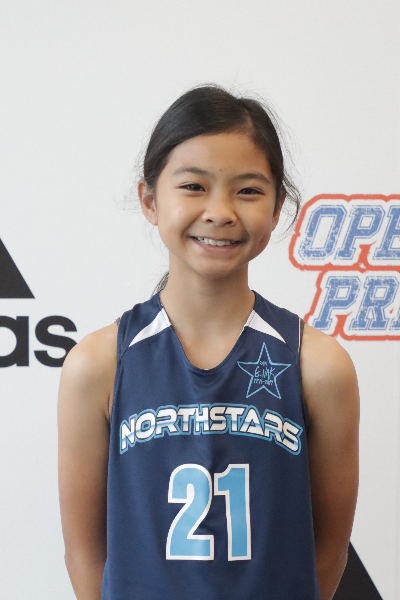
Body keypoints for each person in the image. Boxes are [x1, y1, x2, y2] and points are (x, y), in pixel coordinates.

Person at [58, 84, 359, 600]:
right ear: (150, 200)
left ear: (277, 207)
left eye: (248, 191)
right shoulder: (100, 364)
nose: (220, 212)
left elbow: (329, 551)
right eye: (194, 186)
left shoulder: (317, 364)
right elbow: (85, 553)